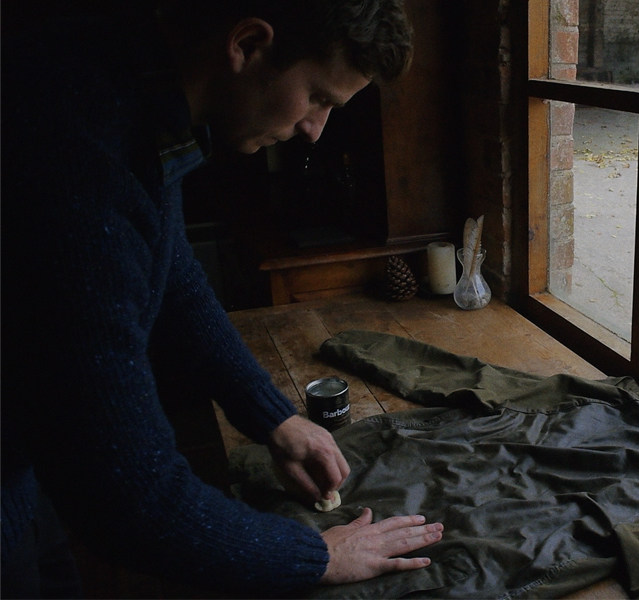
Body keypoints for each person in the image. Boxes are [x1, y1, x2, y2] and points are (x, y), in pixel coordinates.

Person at [0, 1, 443, 597]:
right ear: (248, 44)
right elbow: (129, 498)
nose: (315, 128)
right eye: (318, 97)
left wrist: (269, 413)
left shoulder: (132, 90)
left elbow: (166, 267)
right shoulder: (74, 150)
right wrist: (315, 555)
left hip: (23, 473)